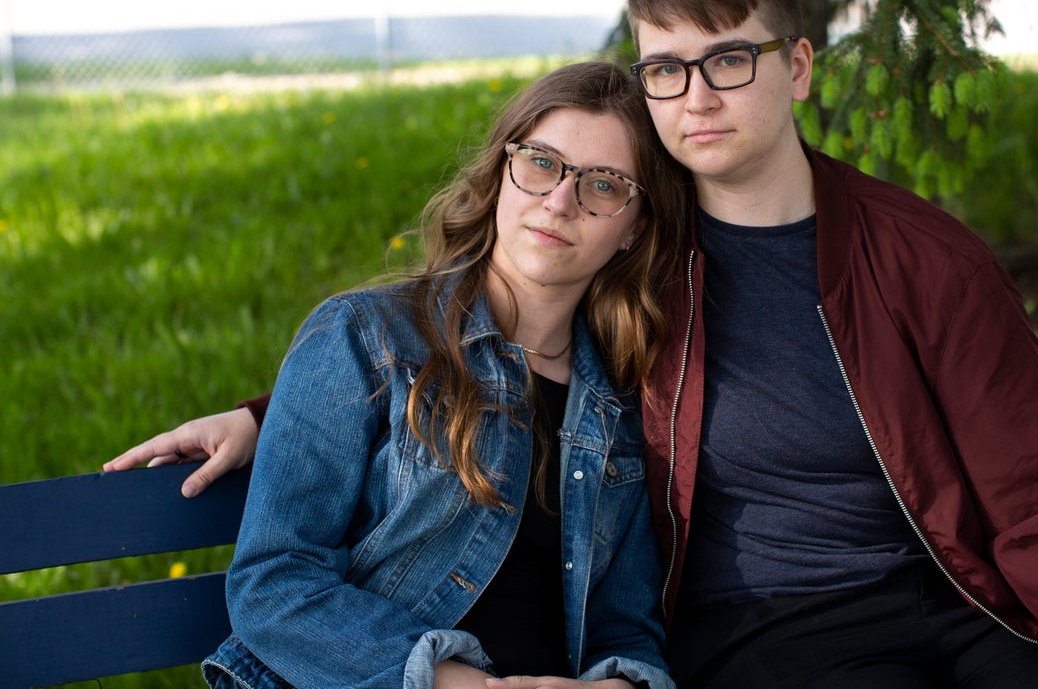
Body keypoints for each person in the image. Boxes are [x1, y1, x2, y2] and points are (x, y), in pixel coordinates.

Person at [110, 0, 1038, 689]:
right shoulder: (609, 271)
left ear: (798, 65)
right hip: (761, 633)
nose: (695, 95)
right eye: (665, 69)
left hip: (947, 606)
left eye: (728, 57)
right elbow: (442, 341)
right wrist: (270, 414)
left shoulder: (897, 267)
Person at [106, 61, 684, 689]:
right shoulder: (363, 337)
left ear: (635, 228)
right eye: (541, 162)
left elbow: (626, 628)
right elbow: (273, 579)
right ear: (500, 175)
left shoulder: (621, 405)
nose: (559, 201)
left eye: (603, 185)